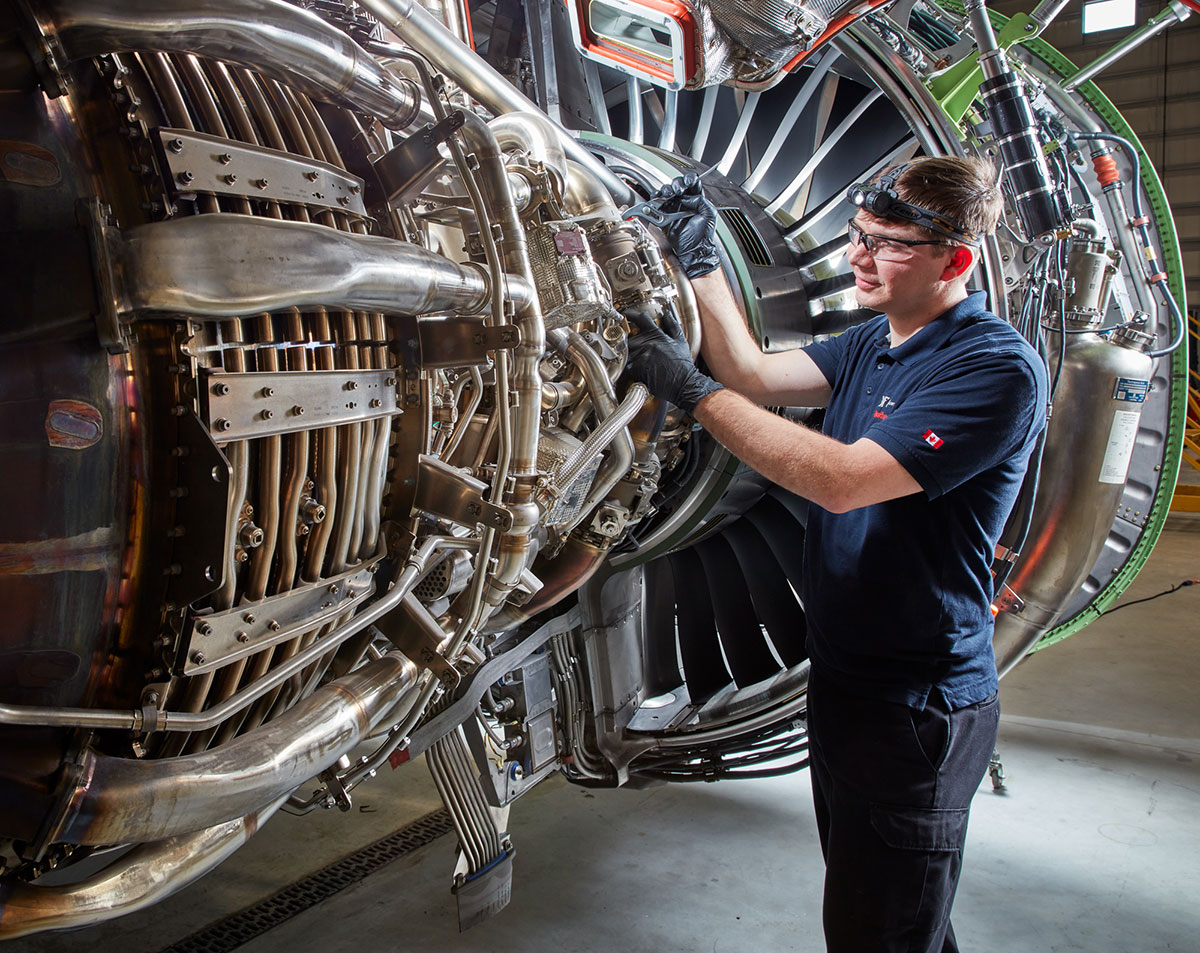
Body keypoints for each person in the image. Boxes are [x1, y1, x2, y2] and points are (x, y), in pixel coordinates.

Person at [623, 157, 1048, 953]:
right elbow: (752, 374)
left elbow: (842, 481)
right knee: (892, 915)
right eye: (858, 235)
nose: (858, 256)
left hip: (917, 707)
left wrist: (690, 389)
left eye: (886, 244)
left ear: (955, 261)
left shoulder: (991, 367)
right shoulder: (874, 341)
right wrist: (701, 258)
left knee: (880, 929)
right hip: (848, 684)